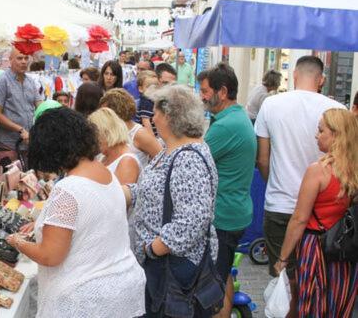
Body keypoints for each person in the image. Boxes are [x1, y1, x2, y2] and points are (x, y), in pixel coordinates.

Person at [7, 107, 146, 318]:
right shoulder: (103, 172)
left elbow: (50, 255)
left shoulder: (68, 189)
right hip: (121, 289)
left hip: (85, 301)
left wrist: (17, 241)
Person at [255, 55, 345, 281]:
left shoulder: (271, 104)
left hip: (280, 203)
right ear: (321, 79)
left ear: (294, 75)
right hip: (324, 210)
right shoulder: (337, 109)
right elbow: (345, 160)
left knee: (282, 282)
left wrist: (274, 181)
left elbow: (263, 159)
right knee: (315, 278)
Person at [131, 84, 219, 317]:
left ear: (169, 116)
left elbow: (192, 221)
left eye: (156, 112)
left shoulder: (188, 157)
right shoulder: (171, 149)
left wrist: (152, 249)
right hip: (164, 263)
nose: (152, 117)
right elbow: (155, 192)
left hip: (173, 267)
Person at [275, 108, 358, 318]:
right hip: (346, 248)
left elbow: (299, 219)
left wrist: (283, 257)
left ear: (337, 135)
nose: (316, 135)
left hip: (316, 248)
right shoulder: (354, 171)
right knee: (339, 302)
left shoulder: (318, 170)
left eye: (321, 130)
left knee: (314, 304)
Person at [198, 64, 257, 318]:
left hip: (224, 215)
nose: (202, 96)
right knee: (223, 275)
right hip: (233, 211)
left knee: (215, 283)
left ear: (222, 92)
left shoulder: (226, 126)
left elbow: (192, 160)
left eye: (205, 91)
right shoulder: (234, 116)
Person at [0, 49, 44, 164]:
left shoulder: (31, 81)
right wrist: (19, 129)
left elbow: (40, 107)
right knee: (9, 179)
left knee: (28, 180)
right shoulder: (2, 81)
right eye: (19, 58)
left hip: (28, 143)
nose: (24, 62)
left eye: (26, 58)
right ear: (10, 60)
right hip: (8, 144)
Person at [99, 88, 162, 168]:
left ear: (117, 111)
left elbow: (161, 159)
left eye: (106, 112)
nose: (102, 115)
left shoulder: (139, 133)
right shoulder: (109, 131)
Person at [89, 107, 140, 185]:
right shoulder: (103, 156)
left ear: (107, 132)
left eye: (95, 135)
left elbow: (122, 196)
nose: (94, 140)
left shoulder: (127, 161)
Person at [137, 71, 160, 136]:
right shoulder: (146, 101)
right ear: (141, 89)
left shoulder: (152, 100)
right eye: (148, 87)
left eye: (155, 86)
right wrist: (152, 138)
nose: (152, 89)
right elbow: (146, 121)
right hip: (149, 136)